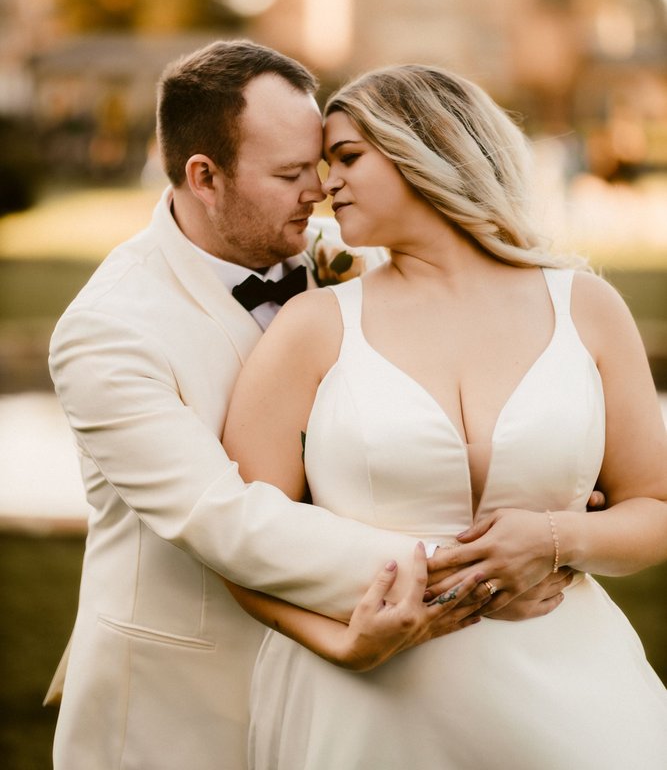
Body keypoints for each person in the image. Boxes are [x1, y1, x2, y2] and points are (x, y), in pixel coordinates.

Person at [48, 41, 558, 770]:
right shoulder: (108, 331)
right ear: (205, 177)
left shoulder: (351, 259)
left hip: (353, 698)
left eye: (318, 163)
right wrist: (474, 572)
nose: (318, 190)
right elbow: (225, 518)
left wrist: (543, 486)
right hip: (178, 703)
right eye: (290, 174)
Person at [223, 63, 667, 769]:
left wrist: (555, 538)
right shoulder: (313, 326)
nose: (327, 185)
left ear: (426, 146)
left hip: (569, 697)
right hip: (367, 707)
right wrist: (340, 641)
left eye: (347, 157)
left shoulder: (585, 307)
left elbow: (655, 508)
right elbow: (239, 542)